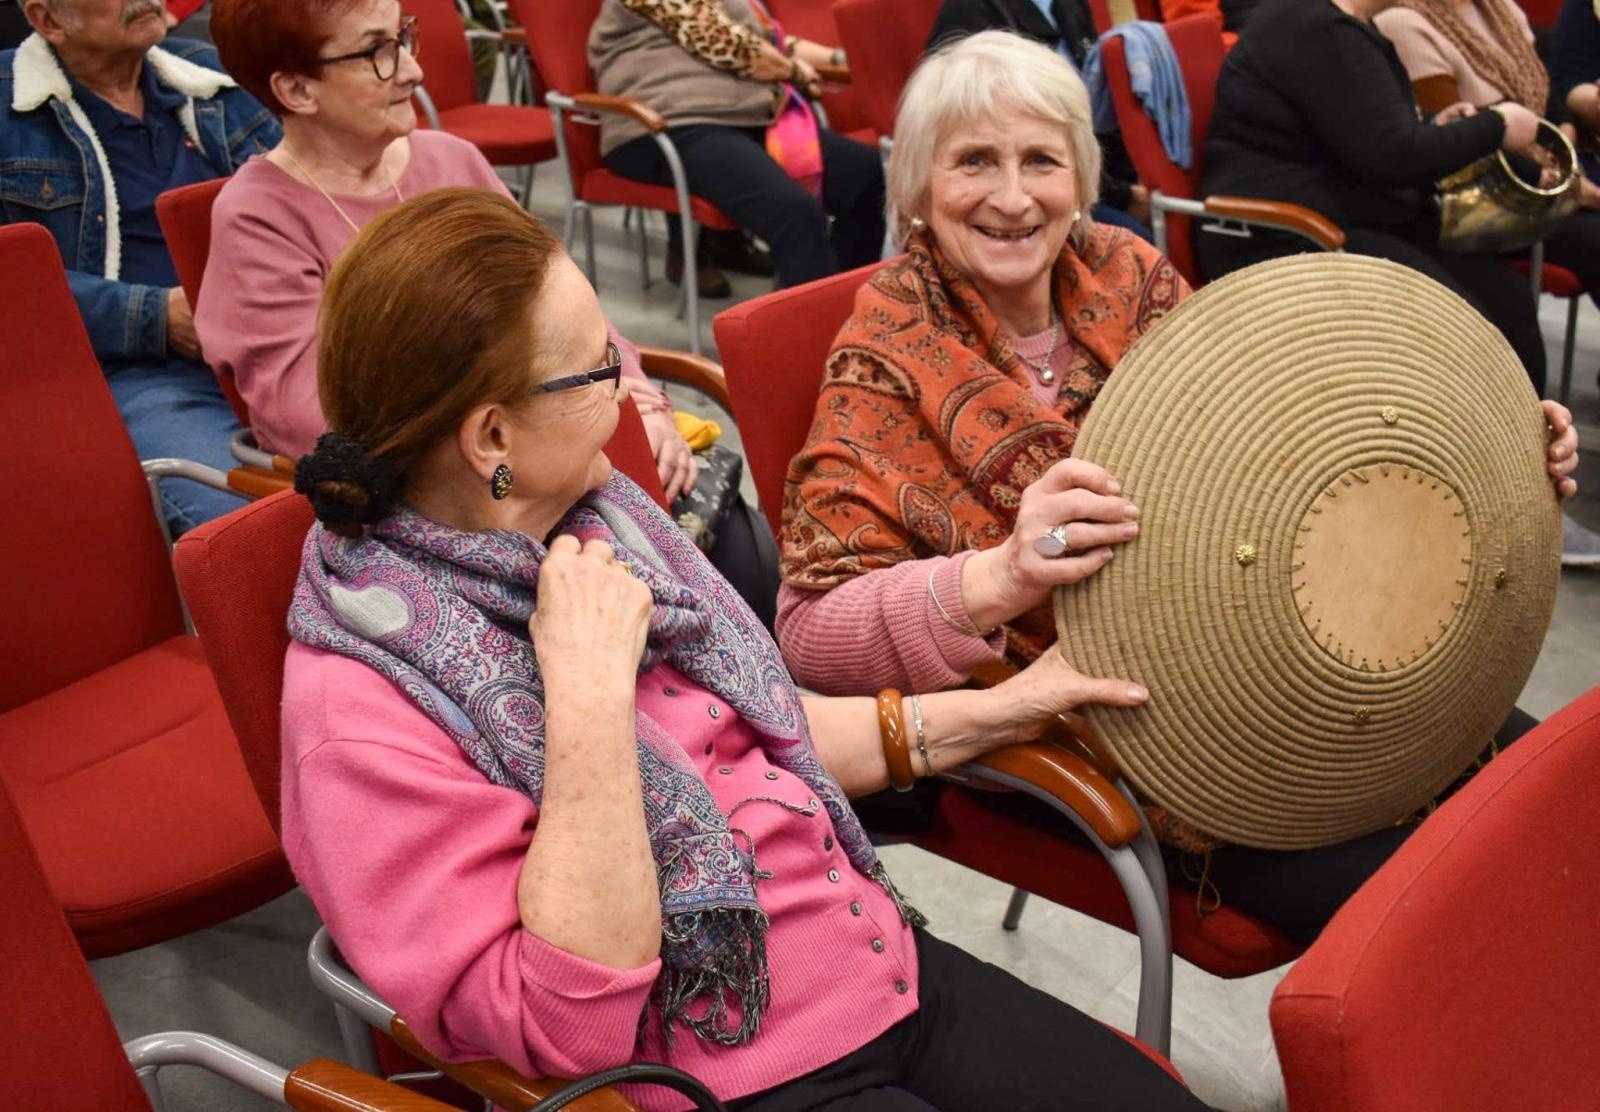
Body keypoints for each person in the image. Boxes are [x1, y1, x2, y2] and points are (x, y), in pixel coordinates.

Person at [281, 186, 1208, 1112]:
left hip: (871, 967)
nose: (628, 388)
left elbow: (762, 732)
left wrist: (1004, 706)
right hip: (725, 1067)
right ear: (493, 436)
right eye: (601, 367)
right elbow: (562, 1023)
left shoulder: (600, 525)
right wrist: (589, 699)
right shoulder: (360, 701)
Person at [776, 31, 1585, 944]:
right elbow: (808, 638)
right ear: (918, 186)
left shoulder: (1125, 272)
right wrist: (998, 577)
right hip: (1118, 732)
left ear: (1080, 177)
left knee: (1560, 799)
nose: (1011, 196)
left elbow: (1292, 425)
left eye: (1040, 159)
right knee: (1471, 914)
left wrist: (1499, 447)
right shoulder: (882, 360)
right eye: (973, 163)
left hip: (1296, 652)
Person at [201, 0, 778, 615]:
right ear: (295, 88)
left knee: (733, 547)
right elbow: (315, 414)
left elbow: (566, 302)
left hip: (554, 447)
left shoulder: (451, 160)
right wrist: (555, 426)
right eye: (377, 52)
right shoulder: (258, 217)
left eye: (404, 37)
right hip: (440, 507)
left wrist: (638, 395)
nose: (414, 71)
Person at [0, 0, 278, 534]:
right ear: (48, 20)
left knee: (438, 468)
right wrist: (159, 316)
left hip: (280, 337)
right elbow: (14, 286)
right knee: (253, 529)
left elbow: (309, 189)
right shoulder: (9, 108)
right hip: (144, 370)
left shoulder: (209, 74)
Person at [1197, 0, 1549, 394]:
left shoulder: (1335, 25)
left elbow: (1367, 133)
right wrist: (1496, 125)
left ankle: (1519, 446)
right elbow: (1391, 155)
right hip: (1285, 234)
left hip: (1343, 219)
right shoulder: (1316, 28)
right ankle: (1471, 444)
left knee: (1506, 301)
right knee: (1465, 330)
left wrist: (1436, 126)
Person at [590, 0, 885, 291]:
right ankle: (813, 330)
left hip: (746, 118)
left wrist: (838, 58)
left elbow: (767, 40)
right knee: (793, 212)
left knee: (868, 176)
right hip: (670, 124)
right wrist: (793, 71)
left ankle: (850, 308)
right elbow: (726, 43)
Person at [925, 0, 1154, 238]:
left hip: (1078, 178)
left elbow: (1096, 112)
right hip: (1010, 191)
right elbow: (979, 142)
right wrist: (1123, 196)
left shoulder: (1067, 5)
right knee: (1133, 238)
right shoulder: (967, 12)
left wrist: (1132, 184)